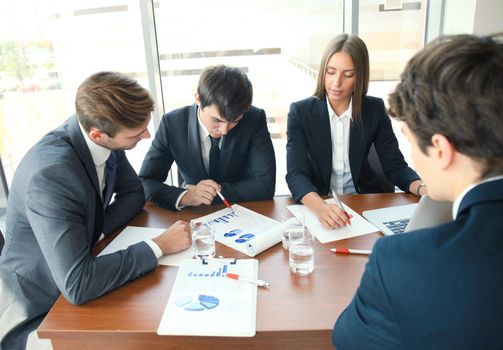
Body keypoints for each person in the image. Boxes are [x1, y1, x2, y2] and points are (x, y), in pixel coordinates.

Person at [333, 33, 503, 348]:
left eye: (410, 141)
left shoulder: (402, 263)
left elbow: (345, 340)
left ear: (440, 149)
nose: (413, 155)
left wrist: (419, 245)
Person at [0, 72, 191, 350]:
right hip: (40, 309)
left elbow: (134, 193)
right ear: (97, 135)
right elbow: (78, 285)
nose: (147, 135)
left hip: (80, 270)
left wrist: (93, 232)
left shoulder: (104, 135)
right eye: (137, 133)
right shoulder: (50, 176)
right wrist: (158, 246)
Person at [286, 34, 423, 229]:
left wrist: (422, 187)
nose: (336, 83)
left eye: (348, 74)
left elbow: (395, 167)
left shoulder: (374, 109)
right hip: (321, 201)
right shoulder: (300, 112)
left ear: (360, 76)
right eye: (330, 72)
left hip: (363, 204)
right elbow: (295, 174)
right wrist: (320, 208)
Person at [139, 65, 276, 211]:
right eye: (216, 120)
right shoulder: (172, 124)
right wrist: (187, 196)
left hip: (242, 211)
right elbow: (145, 182)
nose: (224, 131)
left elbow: (265, 185)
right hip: (193, 214)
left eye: (235, 121)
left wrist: (209, 193)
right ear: (198, 99)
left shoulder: (254, 118)